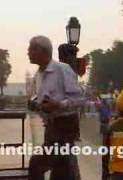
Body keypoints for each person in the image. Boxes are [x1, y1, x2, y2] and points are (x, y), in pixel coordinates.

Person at [27, 35, 84, 180]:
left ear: (42, 51)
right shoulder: (38, 76)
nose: (28, 52)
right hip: (51, 128)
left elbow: (79, 99)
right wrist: (37, 105)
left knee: (37, 165)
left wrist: (58, 104)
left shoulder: (62, 70)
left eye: (31, 49)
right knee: (61, 172)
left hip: (65, 127)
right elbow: (38, 100)